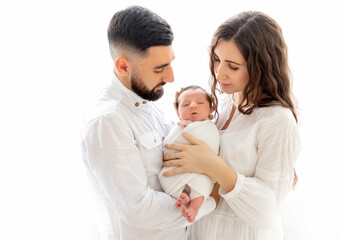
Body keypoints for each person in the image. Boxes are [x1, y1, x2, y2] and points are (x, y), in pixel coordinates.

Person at [162, 11, 301, 240]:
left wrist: (214, 166)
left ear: (260, 67)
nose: (220, 73)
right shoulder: (222, 104)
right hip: (200, 231)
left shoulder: (277, 120)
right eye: (217, 59)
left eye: (233, 66)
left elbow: (266, 212)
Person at [81, 6, 215, 240]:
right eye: (160, 68)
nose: (171, 77)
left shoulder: (146, 100)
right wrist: (211, 197)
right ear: (123, 66)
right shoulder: (108, 122)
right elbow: (138, 209)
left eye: (170, 63)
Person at [158, 85, 220, 223]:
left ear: (211, 108)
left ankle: (194, 208)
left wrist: (191, 129)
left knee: (202, 185)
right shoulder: (177, 126)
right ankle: (182, 195)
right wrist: (179, 128)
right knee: (164, 177)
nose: (193, 106)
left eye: (200, 102)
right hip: (176, 167)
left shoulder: (209, 127)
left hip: (201, 171)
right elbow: (168, 145)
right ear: (177, 111)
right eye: (186, 104)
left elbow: (211, 147)